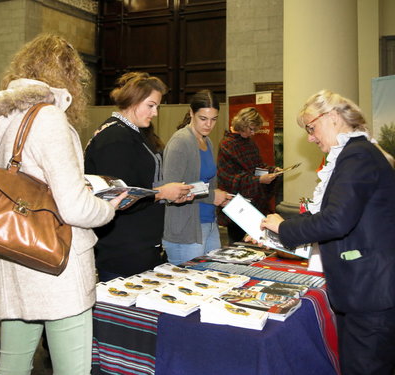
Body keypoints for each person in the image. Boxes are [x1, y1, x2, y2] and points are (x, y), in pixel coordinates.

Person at [0, 34, 127, 375]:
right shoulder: (47, 118)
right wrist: (108, 208)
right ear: (67, 75)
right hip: (56, 263)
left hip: (11, 256)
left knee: (12, 365)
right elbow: (74, 207)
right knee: (72, 369)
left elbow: (4, 188)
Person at [261, 90, 395, 375]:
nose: (310, 137)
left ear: (332, 118)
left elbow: (335, 221)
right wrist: (275, 232)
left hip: (371, 291)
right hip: (366, 288)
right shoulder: (356, 153)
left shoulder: (356, 156)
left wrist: (283, 228)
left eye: (311, 127)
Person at [84, 71, 192, 281]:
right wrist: (161, 193)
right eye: (150, 105)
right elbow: (119, 197)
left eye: (157, 106)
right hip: (123, 250)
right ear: (132, 100)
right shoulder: (115, 137)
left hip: (141, 245)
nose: (155, 113)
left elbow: (141, 184)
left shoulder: (133, 133)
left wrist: (167, 194)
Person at [162, 90, 231, 265]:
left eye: (213, 119)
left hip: (209, 223)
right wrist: (213, 196)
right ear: (191, 113)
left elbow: (209, 183)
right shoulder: (180, 142)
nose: (209, 124)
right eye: (203, 118)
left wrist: (220, 197)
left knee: (214, 279)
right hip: (185, 229)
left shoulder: (207, 141)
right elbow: (170, 191)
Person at [217, 107, 279, 243]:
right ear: (242, 124)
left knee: (257, 243)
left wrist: (271, 171)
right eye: (251, 129)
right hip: (236, 205)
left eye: (255, 130)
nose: (252, 133)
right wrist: (259, 180)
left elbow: (257, 167)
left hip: (255, 203)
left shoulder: (249, 142)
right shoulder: (227, 145)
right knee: (238, 245)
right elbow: (229, 179)